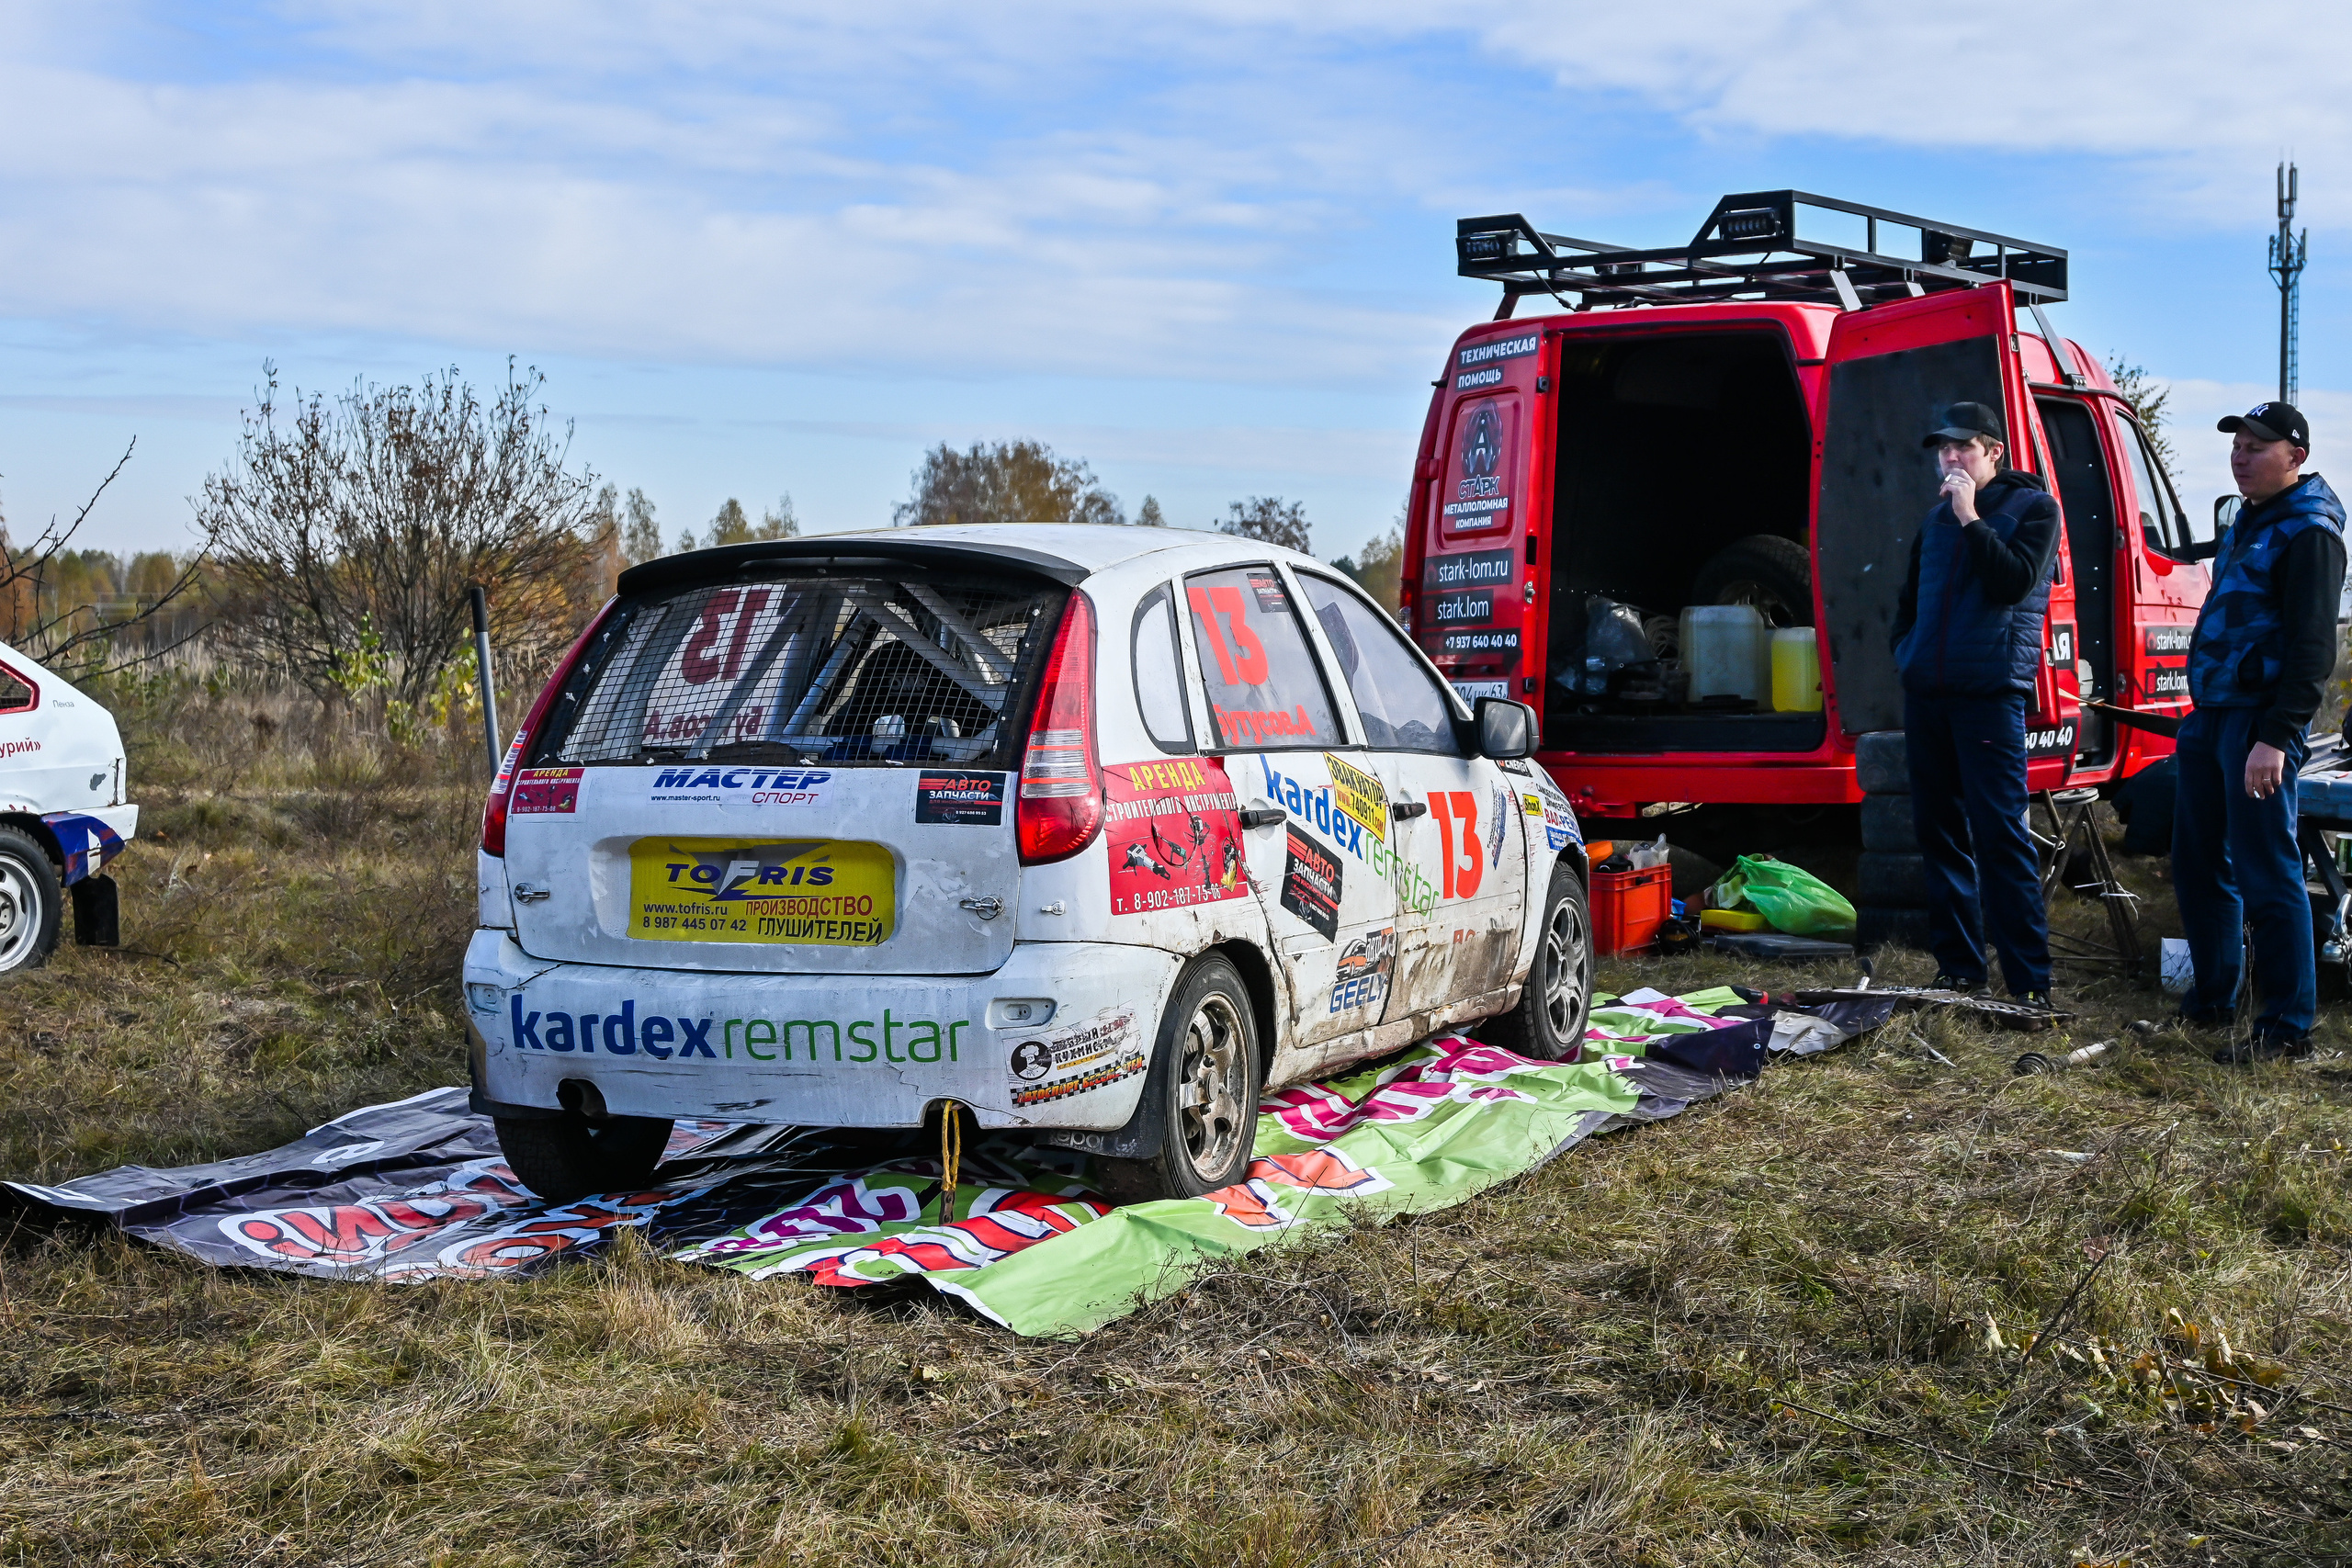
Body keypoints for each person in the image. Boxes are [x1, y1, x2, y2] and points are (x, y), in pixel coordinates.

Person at [2173, 401, 2346, 1063]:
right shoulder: (2248, 519)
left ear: (2295, 457)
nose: (2240, 456)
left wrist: (2275, 736)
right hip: (2211, 714)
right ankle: (2213, 998)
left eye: (2256, 447)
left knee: (2268, 871)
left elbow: (2311, 652)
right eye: (2237, 445)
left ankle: (2286, 1028)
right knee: (2196, 861)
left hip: (2257, 723)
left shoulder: (2310, 533)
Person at [1889, 400, 2062, 1008]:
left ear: (1995, 451)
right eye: (1944, 449)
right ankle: (1960, 970)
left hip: (1989, 698)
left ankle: (2030, 984)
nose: (1951, 458)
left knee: (1999, 835)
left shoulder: (2035, 509)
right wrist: (1905, 654)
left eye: (1963, 447)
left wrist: (1969, 516)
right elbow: (1908, 601)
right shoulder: (1934, 522)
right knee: (1939, 835)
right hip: (1929, 697)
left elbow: (2012, 581)